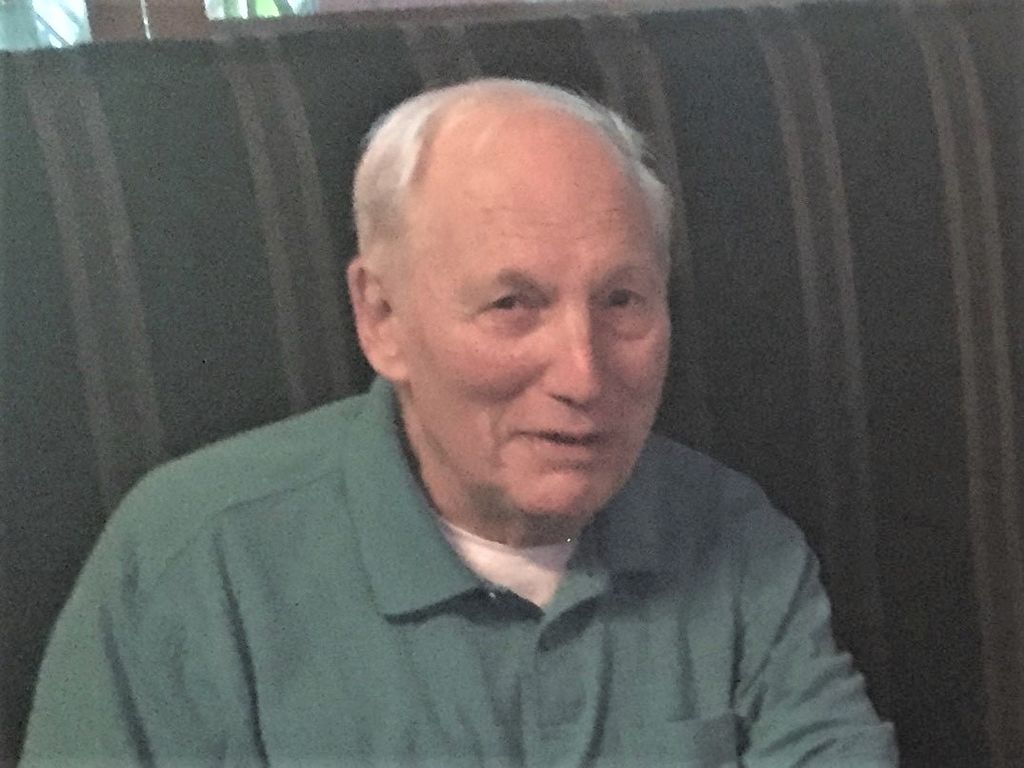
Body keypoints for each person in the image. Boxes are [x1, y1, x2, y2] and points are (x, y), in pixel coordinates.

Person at [21, 78, 897, 767]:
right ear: (382, 318)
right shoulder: (190, 564)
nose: (583, 374)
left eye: (622, 300)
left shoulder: (736, 538)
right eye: (513, 303)